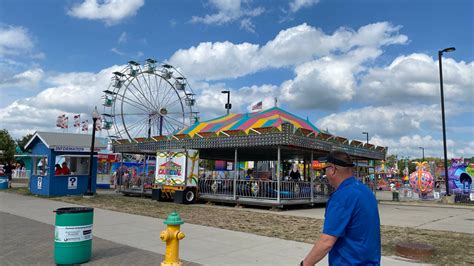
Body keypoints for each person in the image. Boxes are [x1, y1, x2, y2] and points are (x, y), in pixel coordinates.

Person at [302, 150, 381, 265]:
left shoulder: (341, 197)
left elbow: (327, 241)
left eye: (326, 169)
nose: (325, 173)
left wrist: (305, 264)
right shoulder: (365, 191)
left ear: (333, 170)